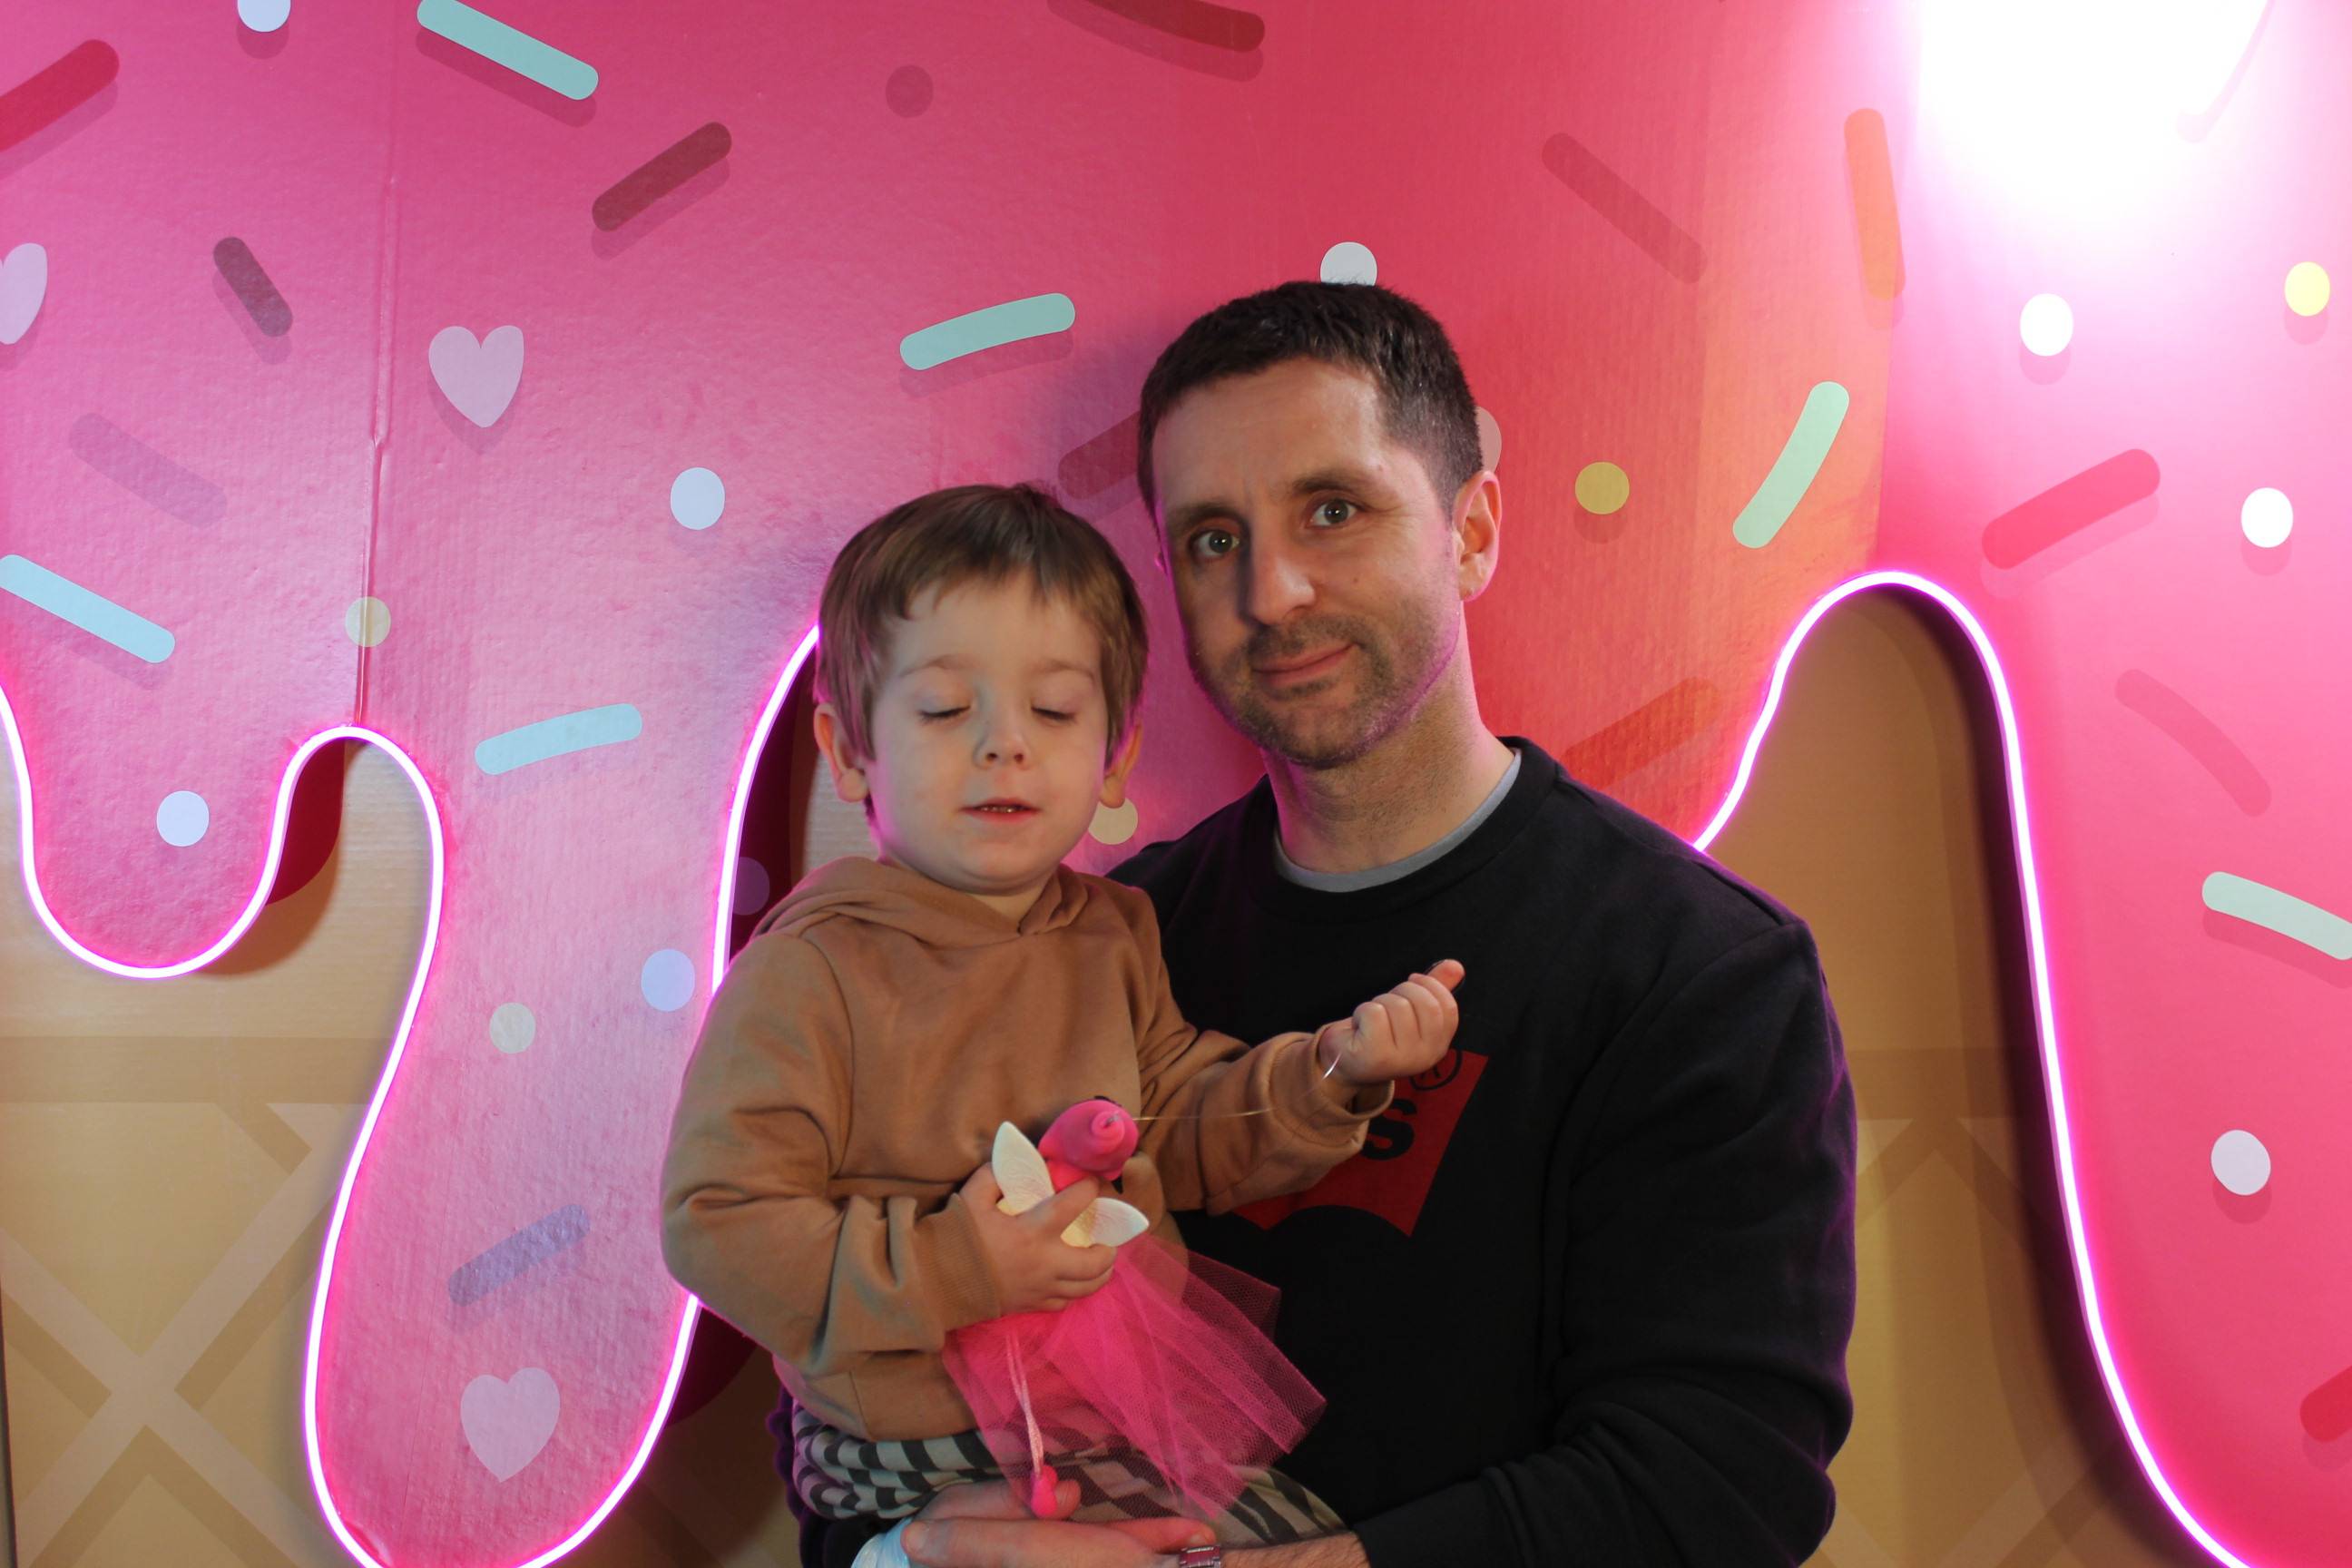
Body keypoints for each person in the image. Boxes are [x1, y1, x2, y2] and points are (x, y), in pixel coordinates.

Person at [853, 282, 1858, 1568]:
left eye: (1333, 509)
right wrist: (910, 1558)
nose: (1272, 592)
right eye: (1213, 538)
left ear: (1470, 531)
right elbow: (858, 1376)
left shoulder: (1701, 973)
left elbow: (1716, 1489)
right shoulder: (1091, 944)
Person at [659, 484, 1468, 1563]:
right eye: (944, 711)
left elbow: (1187, 1118)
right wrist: (955, 1266)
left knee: (1292, 1541)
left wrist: (1329, 1074)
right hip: (912, 1437)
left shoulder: (1113, 931)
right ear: (850, 750)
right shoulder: (815, 969)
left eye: (1052, 711)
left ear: (1115, 754)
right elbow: (717, 1221)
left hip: (1112, 1407)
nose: (1004, 746)